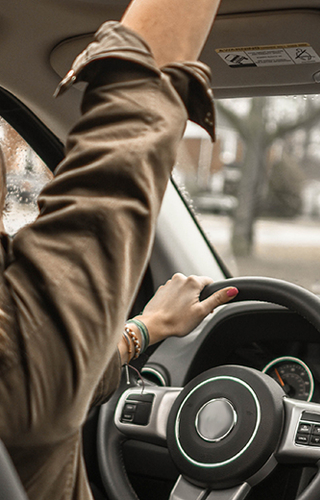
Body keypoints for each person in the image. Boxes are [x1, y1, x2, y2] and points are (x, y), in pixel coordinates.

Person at [0, 0, 237, 499]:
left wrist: (143, 331)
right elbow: (134, 106)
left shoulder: (27, 355)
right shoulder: (17, 365)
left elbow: (53, 354)